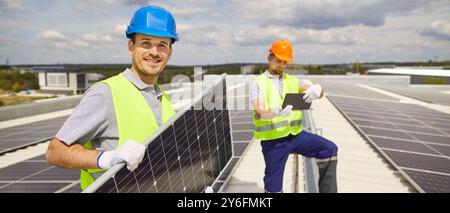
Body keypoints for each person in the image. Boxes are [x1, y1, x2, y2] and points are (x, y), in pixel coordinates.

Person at [45, 5, 178, 190]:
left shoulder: (161, 97)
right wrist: (108, 158)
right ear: (131, 46)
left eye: (162, 45)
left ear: (169, 52)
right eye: (145, 43)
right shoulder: (106, 93)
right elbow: (55, 151)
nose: (154, 52)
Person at [251, 39, 338, 193]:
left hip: (295, 136)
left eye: (285, 62)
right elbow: (259, 111)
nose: (282, 65)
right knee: (273, 186)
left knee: (329, 149)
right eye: (279, 61)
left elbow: (318, 92)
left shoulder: (293, 81)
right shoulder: (258, 83)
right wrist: (277, 111)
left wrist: (318, 90)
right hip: (274, 141)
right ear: (269, 58)